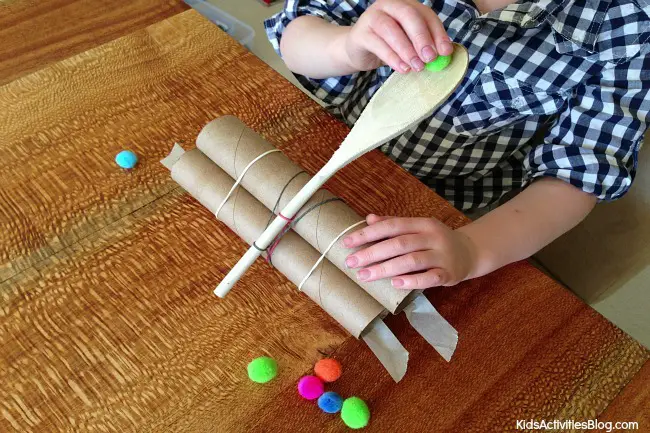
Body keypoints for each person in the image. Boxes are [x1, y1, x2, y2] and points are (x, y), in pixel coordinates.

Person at [264, 0, 650, 290]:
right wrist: (345, 46)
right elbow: (296, 31)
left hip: (427, 209)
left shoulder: (631, 31)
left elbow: (574, 177)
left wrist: (471, 250)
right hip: (307, 146)